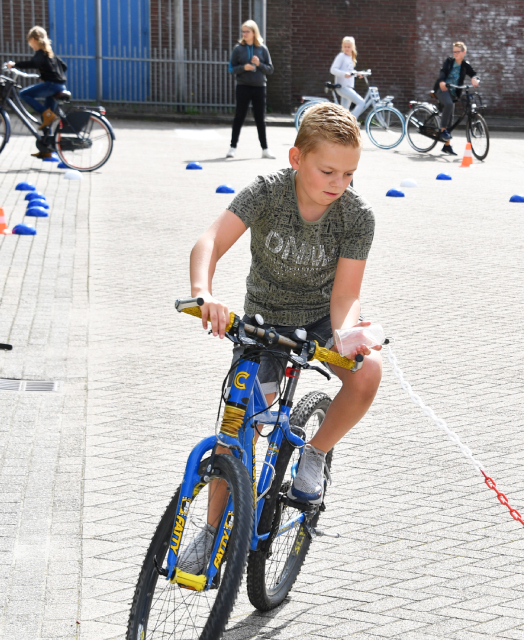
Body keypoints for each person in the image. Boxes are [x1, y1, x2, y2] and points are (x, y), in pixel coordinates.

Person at [179, 102, 382, 573]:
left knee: (368, 372)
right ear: (296, 159)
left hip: (318, 321)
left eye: (349, 174)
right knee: (238, 426)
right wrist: (203, 293)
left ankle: (316, 452)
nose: (339, 183)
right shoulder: (268, 194)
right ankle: (211, 534)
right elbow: (209, 241)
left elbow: (346, 292)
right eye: (328, 170)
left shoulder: (356, 217)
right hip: (263, 323)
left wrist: (349, 332)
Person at [6, 26, 68, 158]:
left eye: (30, 43)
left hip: (52, 85)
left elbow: (33, 64)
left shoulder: (40, 53)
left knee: (24, 94)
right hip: (59, 85)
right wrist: (47, 74)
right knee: (46, 121)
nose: (30, 46)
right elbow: (64, 66)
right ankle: (46, 152)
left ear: (34, 39)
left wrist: (14, 65)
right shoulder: (49, 52)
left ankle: (47, 115)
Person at [227, 20, 274, 159]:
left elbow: (270, 69)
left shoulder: (262, 49)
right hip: (243, 86)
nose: (244, 34)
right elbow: (231, 68)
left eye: (247, 31)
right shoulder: (238, 49)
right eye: (243, 31)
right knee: (239, 117)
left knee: (260, 118)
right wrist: (243, 68)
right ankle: (232, 147)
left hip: (259, 87)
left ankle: (265, 149)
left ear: (254, 33)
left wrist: (259, 64)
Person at [433, 41, 479, 156]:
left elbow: (473, 73)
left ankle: (446, 146)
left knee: (451, 120)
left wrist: (474, 79)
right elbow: (443, 71)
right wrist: (442, 81)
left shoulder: (465, 65)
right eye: (454, 52)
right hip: (442, 89)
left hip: (453, 93)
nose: (455, 54)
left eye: (458, 52)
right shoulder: (449, 61)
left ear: (464, 52)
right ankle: (443, 130)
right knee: (449, 104)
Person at [330, 37, 365, 114]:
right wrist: (344, 74)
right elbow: (333, 69)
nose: (346, 48)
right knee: (361, 102)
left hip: (348, 87)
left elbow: (349, 71)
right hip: (342, 87)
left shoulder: (350, 58)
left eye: (348, 47)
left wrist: (357, 74)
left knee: (344, 112)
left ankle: (342, 124)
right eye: (345, 47)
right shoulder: (341, 56)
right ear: (342, 47)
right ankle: (352, 122)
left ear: (353, 47)